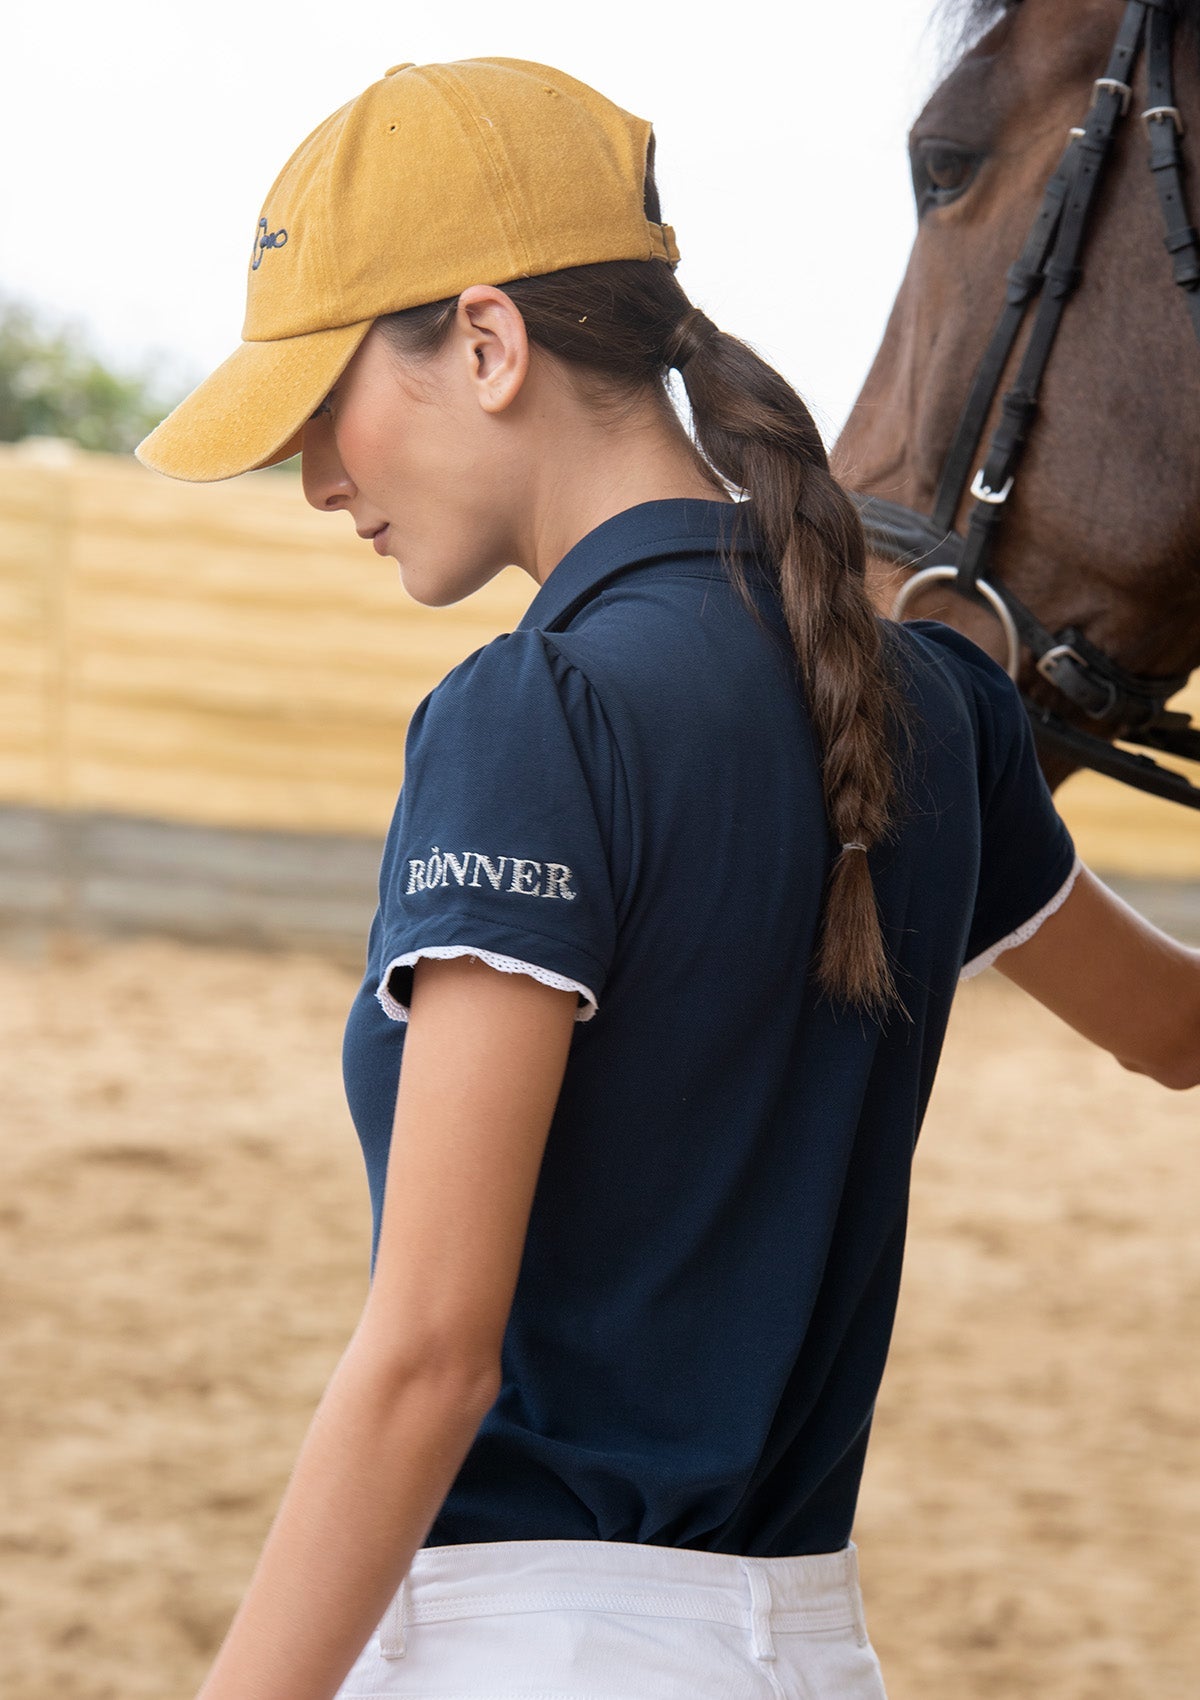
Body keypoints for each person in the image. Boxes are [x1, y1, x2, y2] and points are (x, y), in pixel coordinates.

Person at [135, 55, 1200, 1700]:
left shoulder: (534, 714)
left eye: (321, 410)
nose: (319, 481)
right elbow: (1176, 1030)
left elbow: (430, 1361)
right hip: (810, 1650)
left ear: (487, 344)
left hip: (531, 1650)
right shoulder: (934, 702)